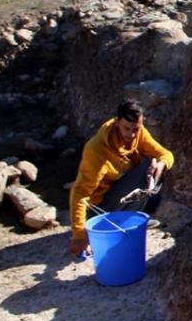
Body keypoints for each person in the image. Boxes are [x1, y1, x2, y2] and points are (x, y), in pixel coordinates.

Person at [67, 100, 175, 257]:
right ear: (117, 123)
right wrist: (79, 235)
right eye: (126, 128)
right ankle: (117, 224)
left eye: (135, 129)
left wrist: (161, 165)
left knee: (154, 170)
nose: (131, 134)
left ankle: (129, 219)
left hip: (116, 191)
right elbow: (80, 192)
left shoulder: (138, 132)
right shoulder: (96, 149)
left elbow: (166, 154)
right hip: (96, 209)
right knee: (146, 171)